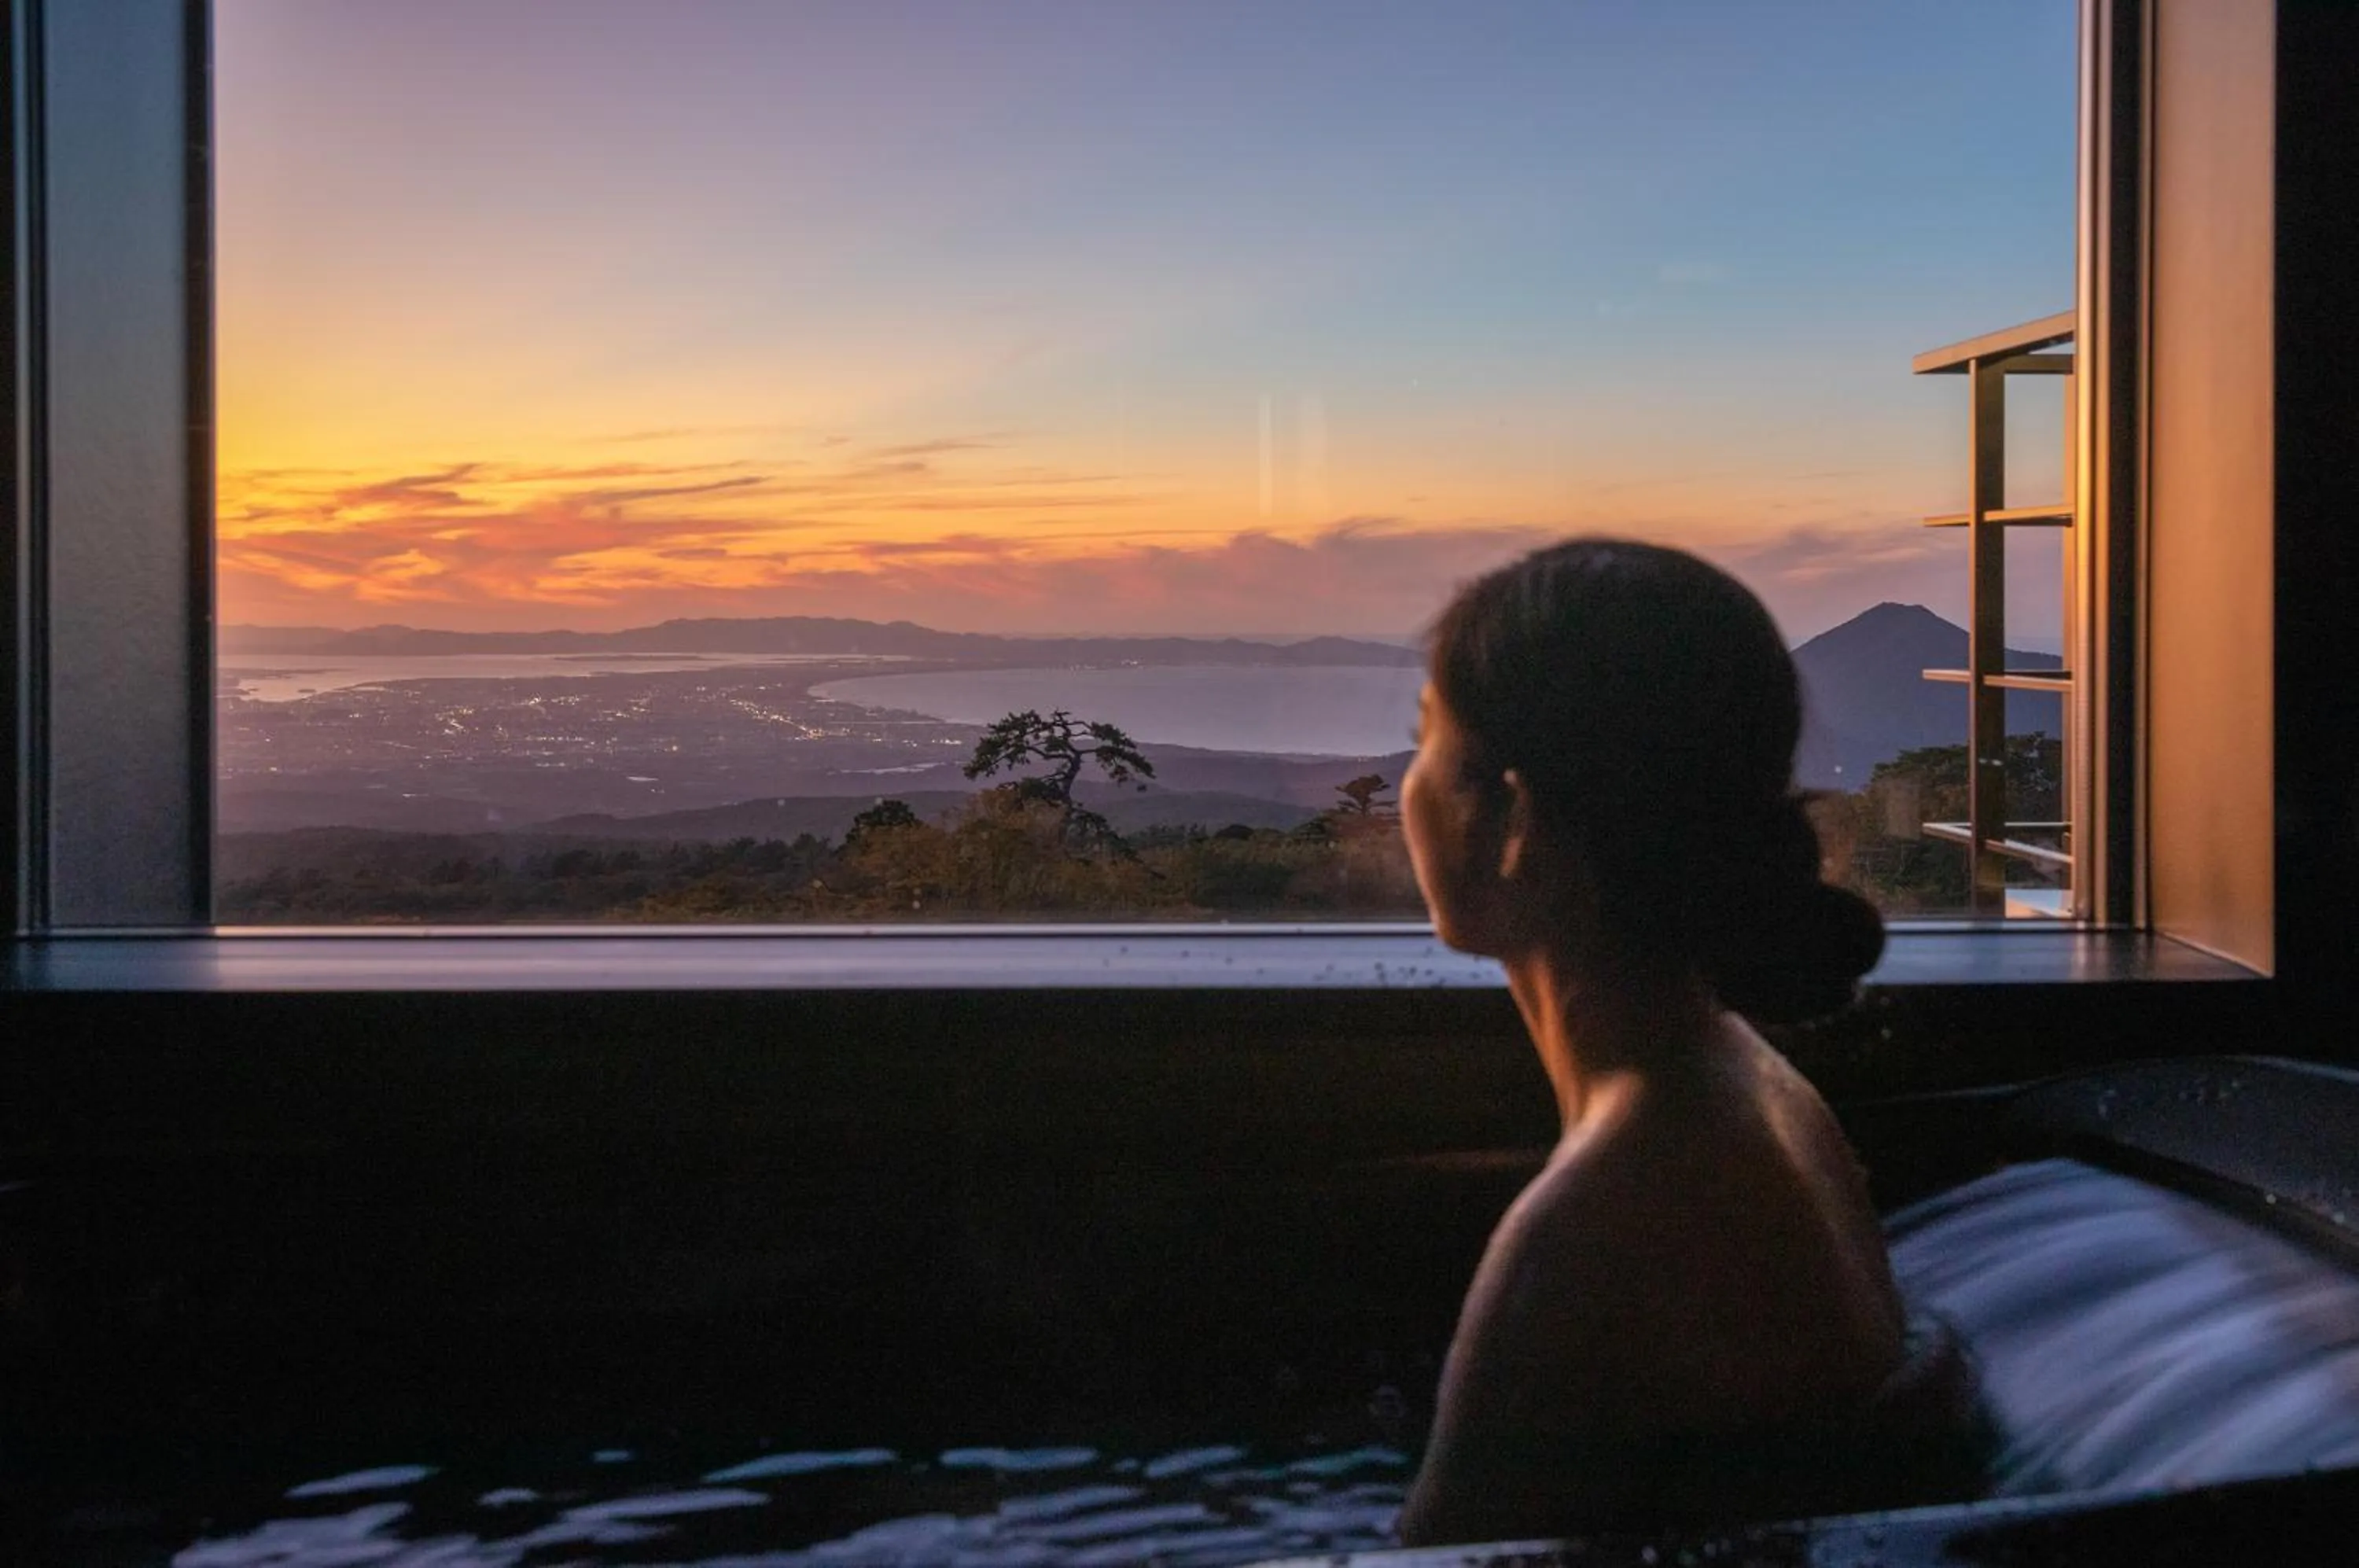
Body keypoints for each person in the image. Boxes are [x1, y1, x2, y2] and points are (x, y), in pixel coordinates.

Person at [1393, 539, 1987, 1544]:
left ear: (1514, 821)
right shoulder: (1752, 1083)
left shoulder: (1597, 1219)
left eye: (1425, 740)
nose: (1404, 785)